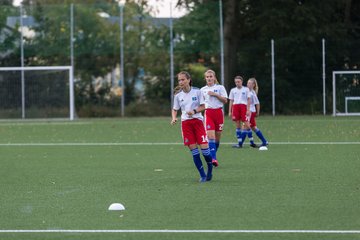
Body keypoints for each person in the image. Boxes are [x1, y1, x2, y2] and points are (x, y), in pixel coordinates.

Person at [171, 71, 213, 182]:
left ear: (189, 80)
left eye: (183, 79)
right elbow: (175, 109)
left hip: (198, 122)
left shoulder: (197, 92)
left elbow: (204, 106)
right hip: (186, 124)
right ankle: (202, 175)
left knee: (205, 151)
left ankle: (210, 168)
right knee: (194, 151)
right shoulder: (178, 95)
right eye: (179, 80)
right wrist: (174, 117)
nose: (181, 82)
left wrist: (194, 111)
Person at [200, 69, 228, 167]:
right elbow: (200, 104)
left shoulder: (220, 87)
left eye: (211, 76)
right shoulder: (202, 90)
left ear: (214, 77)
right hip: (208, 113)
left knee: (217, 137)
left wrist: (215, 94)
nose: (209, 78)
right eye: (207, 77)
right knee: (210, 136)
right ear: (205, 78)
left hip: (219, 113)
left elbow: (225, 100)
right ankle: (213, 159)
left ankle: (212, 155)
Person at [228, 75, 254, 148]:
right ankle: (239, 143)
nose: (237, 83)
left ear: (242, 82)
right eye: (236, 82)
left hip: (243, 107)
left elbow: (249, 99)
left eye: (238, 82)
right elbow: (231, 100)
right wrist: (230, 111)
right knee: (238, 125)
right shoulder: (233, 90)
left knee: (247, 125)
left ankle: (252, 142)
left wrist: (248, 109)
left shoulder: (246, 89)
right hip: (235, 107)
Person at [246, 77, 269, 147]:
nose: (248, 84)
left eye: (250, 83)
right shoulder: (247, 91)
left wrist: (258, 113)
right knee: (253, 127)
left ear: (253, 85)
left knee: (247, 126)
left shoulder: (252, 93)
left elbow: (257, 103)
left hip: (251, 111)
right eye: (248, 83)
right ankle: (264, 141)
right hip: (249, 111)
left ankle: (251, 142)